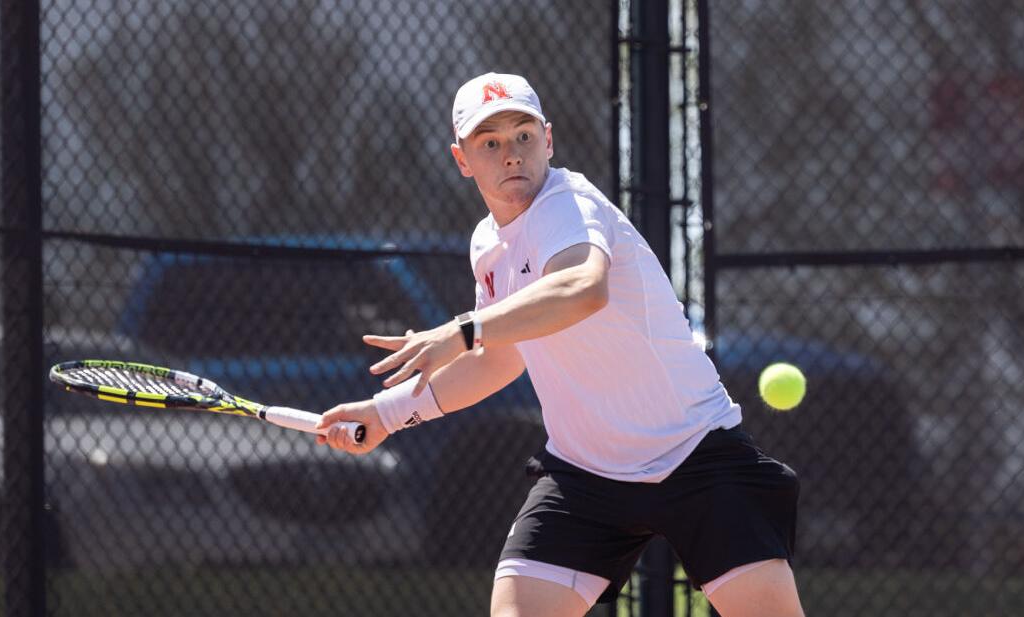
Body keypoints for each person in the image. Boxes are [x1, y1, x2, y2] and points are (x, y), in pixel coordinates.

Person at [316, 72, 804, 617]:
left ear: (548, 139)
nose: (511, 154)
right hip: (585, 479)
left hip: (696, 455)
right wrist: (386, 413)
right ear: (462, 159)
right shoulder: (487, 243)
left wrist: (464, 328)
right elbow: (500, 358)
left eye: (523, 135)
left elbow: (581, 288)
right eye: (491, 142)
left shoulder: (568, 206)